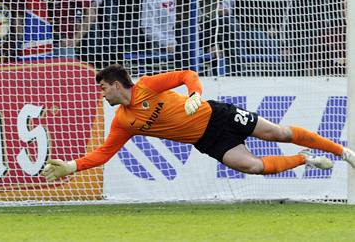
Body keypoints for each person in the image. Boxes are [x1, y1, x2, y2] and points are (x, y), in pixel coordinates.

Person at [42, 64, 355, 181]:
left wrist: (195, 93)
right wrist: (72, 166)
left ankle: (342, 152)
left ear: (116, 84)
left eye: (102, 87)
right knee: (252, 167)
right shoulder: (123, 121)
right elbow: (105, 153)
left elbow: (186, 75)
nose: (101, 94)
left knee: (278, 132)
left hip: (217, 114)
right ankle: (305, 160)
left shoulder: (149, 85)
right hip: (207, 141)